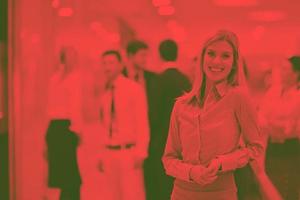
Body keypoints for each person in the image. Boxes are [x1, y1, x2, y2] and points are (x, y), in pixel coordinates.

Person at [162, 30, 264, 200]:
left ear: (234, 63)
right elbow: (169, 159)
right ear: (202, 58)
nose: (217, 61)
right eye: (211, 53)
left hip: (221, 192)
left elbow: (255, 147)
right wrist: (191, 172)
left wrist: (222, 162)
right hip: (181, 193)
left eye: (225, 56)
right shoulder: (181, 105)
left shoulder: (238, 98)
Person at [98, 50, 149, 200]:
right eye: (104, 63)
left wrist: (141, 152)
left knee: (131, 195)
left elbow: (142, 122)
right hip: (109, 152)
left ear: (120, 65)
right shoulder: (105, 93)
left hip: (128, 152)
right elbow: (104, 124)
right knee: (111, 196)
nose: (107, 67)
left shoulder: (133, 89)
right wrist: (101, 154)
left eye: (111, 63)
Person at [154, 39, 191, 200]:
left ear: (160, 55)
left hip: (161, 139)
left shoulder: (157, 81)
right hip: (183, 139)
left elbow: (153, 114)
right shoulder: (185, 80)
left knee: (162, 183)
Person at [124, 40, 161, 200]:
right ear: (131, 57)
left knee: (151, 181)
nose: (145, 59)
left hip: (151, 137)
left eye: (147, 55)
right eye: (142, 55)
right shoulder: (119, 80)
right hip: (128, 139)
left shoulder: (153, 79)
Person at [260, 56, 300, 200]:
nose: (281, 72)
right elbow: (262, 116)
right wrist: (274, 125)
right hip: (273, 147)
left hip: (291, 148)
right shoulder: (274, 90)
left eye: (285, 69)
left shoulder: (297, 96)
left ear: (296, 74)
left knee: (289, 190)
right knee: (271, 186)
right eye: (281, 68)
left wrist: (274, 124)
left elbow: (291, 129)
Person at [45, 46, 83, 200]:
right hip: (63, 128)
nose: (73, 60)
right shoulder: (66, 79)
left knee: (66, 173)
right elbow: (75, 107)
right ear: (64, 59)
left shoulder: (56, 78)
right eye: (70, 56)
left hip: (59, 128)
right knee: (68, 175)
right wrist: (77, 130)